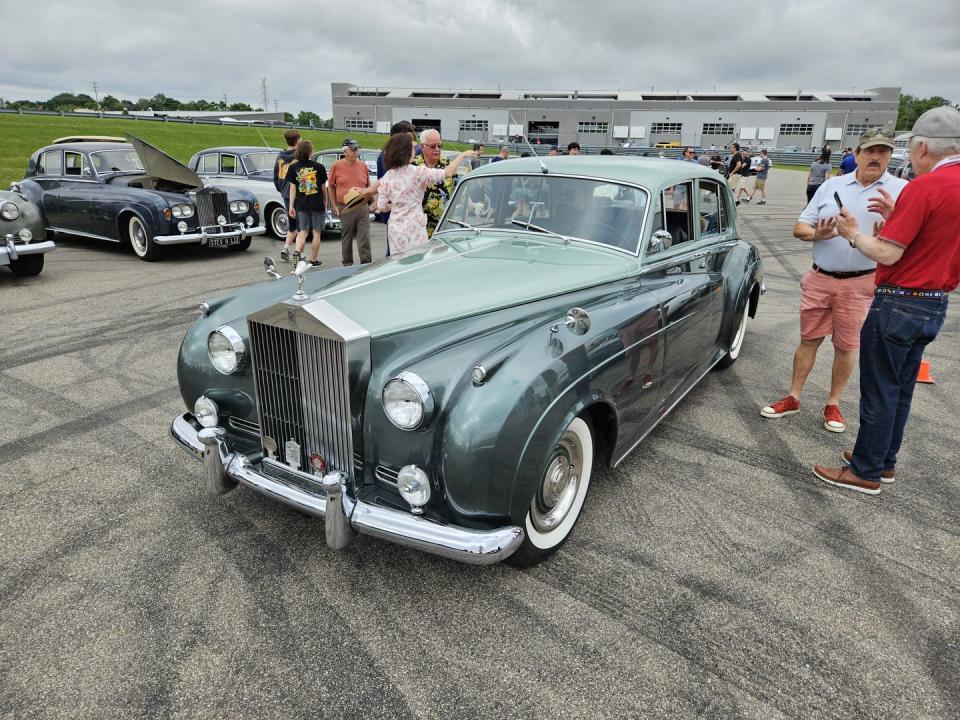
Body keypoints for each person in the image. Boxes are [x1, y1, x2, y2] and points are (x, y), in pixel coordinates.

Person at [812, 109, 960, 494]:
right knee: (901, 387)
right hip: (935, 300)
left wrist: (852, 233)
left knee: (880, 388)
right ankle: (883, 460)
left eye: (910, 149)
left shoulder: (926, 186)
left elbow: (887, 252)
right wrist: (900, 216)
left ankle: (865, 471)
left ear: (923, 146)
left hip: (900, 299)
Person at [761, 127, 907, 434]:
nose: (876, 157)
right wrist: (819, 233)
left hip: (861, 282)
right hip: (820, 277)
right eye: (870, 151)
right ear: (857, 154)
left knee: (847, 345)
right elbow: (800, 227)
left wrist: (892, 229)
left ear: (891, 156)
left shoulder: (901, 190)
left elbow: (915, 243)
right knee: (808, 339)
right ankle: (793, 396)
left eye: (883, 152)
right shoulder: (832, 186)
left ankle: (833, 402)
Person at [375, 133, 475, 254]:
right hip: (415, 228)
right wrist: (462, 156)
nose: (414, 151)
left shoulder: (387, 177)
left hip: (395, 230)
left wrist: (396, 206)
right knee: (418, 262)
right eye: (412, 148)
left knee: (398, 265)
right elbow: (447, 173)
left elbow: (382, 207)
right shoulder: (417, 172)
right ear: (406, 152)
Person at [327, 138, 372, 265]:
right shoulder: (336, 165)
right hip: (345, 206)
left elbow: (368, 184)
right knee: (346, 237)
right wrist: (334, 205)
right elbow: (331, 186)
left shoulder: (362, 165)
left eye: (357, 149)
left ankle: (366, 263)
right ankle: (347, 264)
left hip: (362, 206)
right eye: (353, 150)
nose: (356, 152)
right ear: (345, 151)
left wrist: (373, 201)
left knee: (364, 238)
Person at [375, 121, 416, 253]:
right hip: (395, 209)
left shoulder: (386, 154)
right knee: (396, 250)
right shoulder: (391, 156)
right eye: (409, 139)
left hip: (395, 209)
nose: (412, 143)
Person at [284, 139, 326, 266]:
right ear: (310, 152)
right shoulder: (319, 167)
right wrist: (325, 201)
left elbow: (292, 189)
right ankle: (313, 259)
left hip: (301, 204)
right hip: (317, 203)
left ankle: (297, 252)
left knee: (302, 231)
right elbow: (324, 188)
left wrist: (291, 206)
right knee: (316, 232)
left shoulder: (293, 168)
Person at [412, 129, 458, 237]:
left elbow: (457, 190)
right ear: (423, 147)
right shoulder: (413, 166)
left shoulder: (448, 164)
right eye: (433, 146)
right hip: (418, 228)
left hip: (443, 227)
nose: (437, 149)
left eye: (439, 146)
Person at [272, 128, 300, 261]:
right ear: (298, 140)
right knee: (302, 225)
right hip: (299, 193)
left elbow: (275, 175)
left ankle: (286, 248)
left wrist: (281, 189)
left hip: (285, 193)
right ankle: (298, 252)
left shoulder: (280, 156)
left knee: (292, 223)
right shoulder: (300, 155)